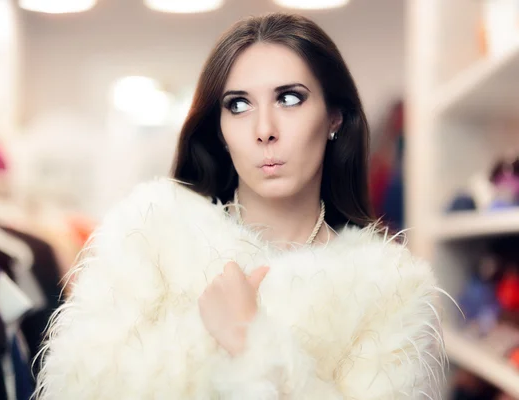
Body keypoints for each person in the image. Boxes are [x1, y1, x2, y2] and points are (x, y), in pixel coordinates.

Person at [35, 12, 446, 399]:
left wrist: (252, 342)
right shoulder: (151, 237)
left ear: (335, 117)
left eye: (289, 99)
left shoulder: (387, 287)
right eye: (238, 105)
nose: (264, 130)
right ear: (219, 127)